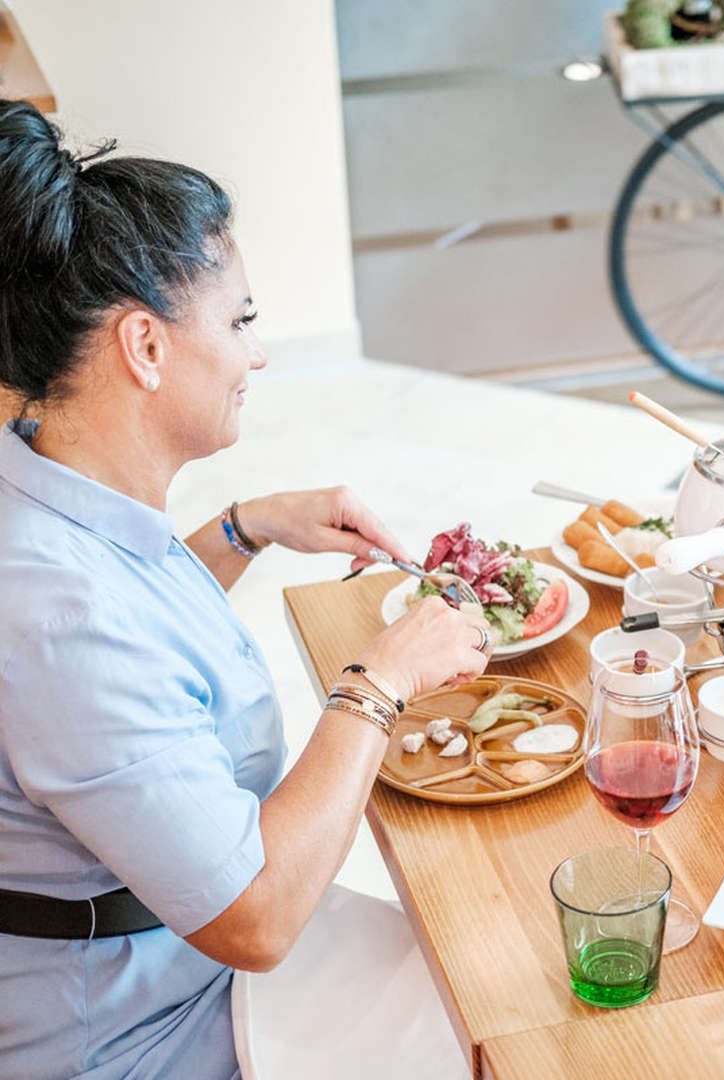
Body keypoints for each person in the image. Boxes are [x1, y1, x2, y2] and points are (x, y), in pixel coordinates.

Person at [0, 100, 493, 1078]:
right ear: (144, 348)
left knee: (485, 966)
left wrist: (242, 528)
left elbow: (130, 618)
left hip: (163, 953)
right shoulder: (58, 621)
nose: (258, 353)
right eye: (241, 320)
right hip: (140, 1024)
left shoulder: (41, 480)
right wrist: (378, 684)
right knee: (499, 1012)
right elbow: (256, 920)